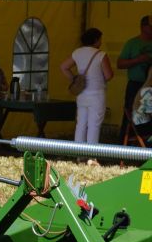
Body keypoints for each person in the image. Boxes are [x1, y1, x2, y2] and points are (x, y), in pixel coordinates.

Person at [60, 28, 113, 165]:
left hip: (82, 94)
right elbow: (108, 75)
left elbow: (64, 67)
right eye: (100, 39)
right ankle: (91, 157)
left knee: (81, 124)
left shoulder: (77, 52)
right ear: (96, 40)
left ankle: (78, 155)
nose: (101, 42)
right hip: (97, 94)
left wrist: (74, 79)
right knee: (94, 125)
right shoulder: (101, 54)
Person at [117, 15, 152, 140]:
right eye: (150, 26)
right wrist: (138, 60)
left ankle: (147, 143)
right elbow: (119, 64)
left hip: (151, 86)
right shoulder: (132, 43)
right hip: (135, 85)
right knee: (131, 114)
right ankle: (126, 143)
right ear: (143, 27)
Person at [131, 66, 152, 136]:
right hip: (143, 127)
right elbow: (149, 113)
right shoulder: (148, 89)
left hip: (143, 123)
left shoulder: (146, 87)